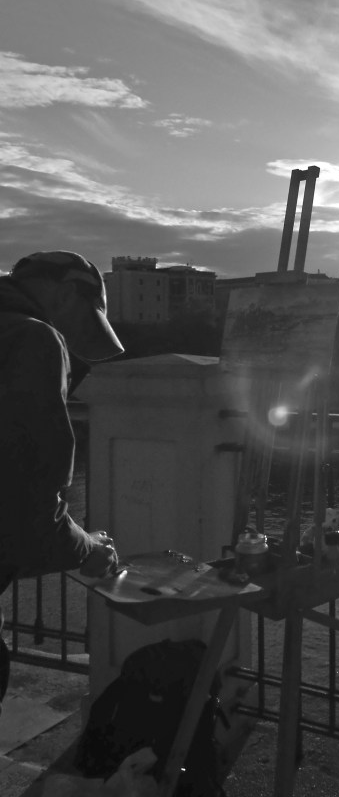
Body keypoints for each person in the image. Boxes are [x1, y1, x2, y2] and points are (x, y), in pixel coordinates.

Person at [0, 251, 124, 712]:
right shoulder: (33, 339)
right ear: (64, 288)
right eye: (81, 318)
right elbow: (29, 505)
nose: (74, 339)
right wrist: (88, 549)